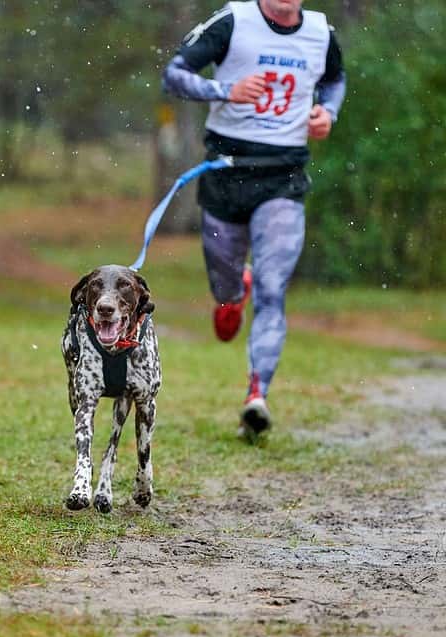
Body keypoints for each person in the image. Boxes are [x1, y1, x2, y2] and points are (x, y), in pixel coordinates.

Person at [162, 0, 346, 440]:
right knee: (226, 291)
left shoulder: (321, 33)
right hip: (225, 173)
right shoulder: (233, 21)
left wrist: (328, 113)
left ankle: (256, 395)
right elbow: (174, 75)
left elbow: (336, 79)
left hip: (283, 176)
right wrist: (226, 89)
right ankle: (231, 295)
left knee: (272, 286)